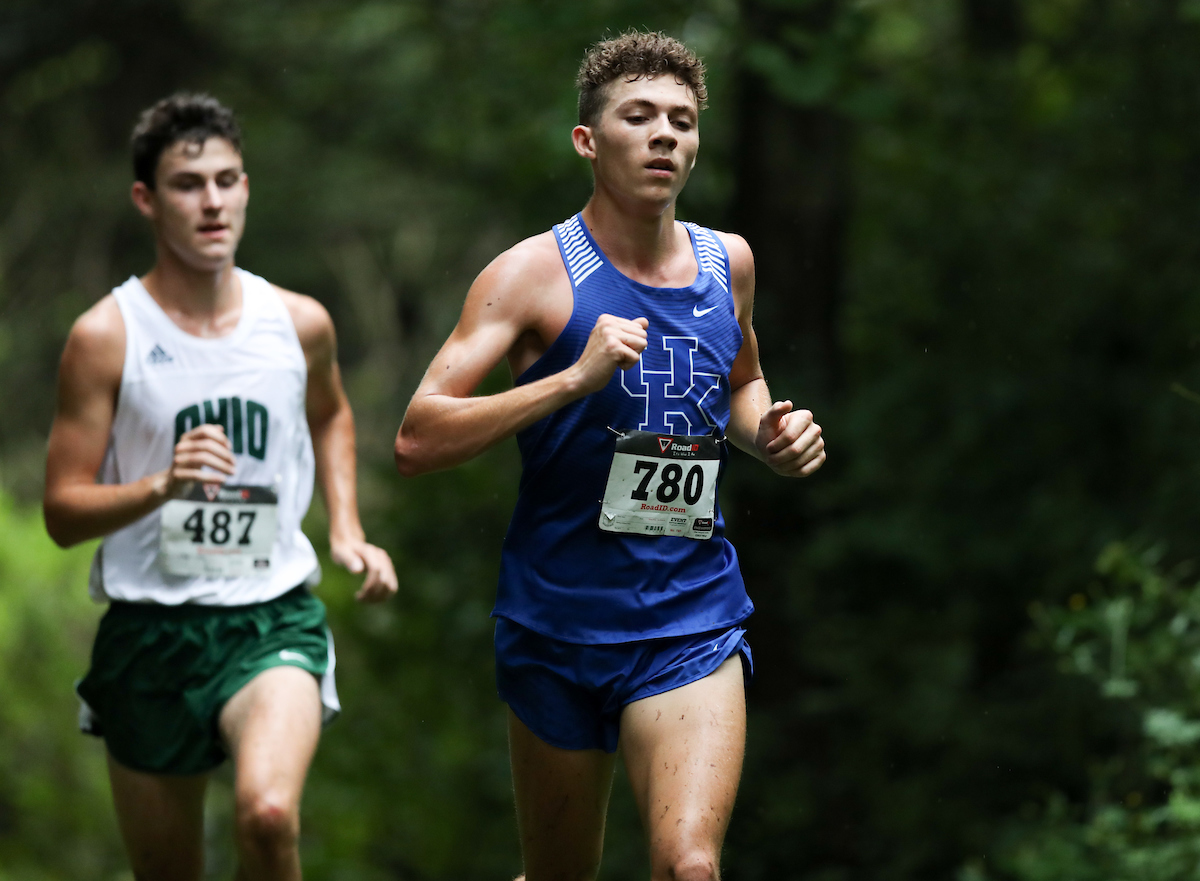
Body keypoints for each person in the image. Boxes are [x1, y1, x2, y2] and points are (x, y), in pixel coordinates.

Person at [394, 30, 825, 881]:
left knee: (690, 867)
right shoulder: (529, 276)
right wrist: (569, 380)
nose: (666, 134)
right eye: (640, 116)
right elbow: (417, 436)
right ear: (589, 141)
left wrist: (770, 431)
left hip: (688, 614)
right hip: (557, 621)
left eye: (683, 120)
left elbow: (742, 382)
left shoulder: (725, 263)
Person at [43, 93, 397, 881]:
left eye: (227, 178)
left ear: (246, 187)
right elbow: (63, 513)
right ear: (146, 198)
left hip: (269, 620)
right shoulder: (107, 336)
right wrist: (160, 485)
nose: (212, 201)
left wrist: (345, 526)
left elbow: (332, 414)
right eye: (187, 182)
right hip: (148, 632)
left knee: (268, 815)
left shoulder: (298, 322)